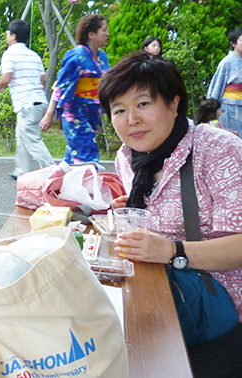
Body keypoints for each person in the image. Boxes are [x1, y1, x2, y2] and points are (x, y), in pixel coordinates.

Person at [98, 51, 242, 378]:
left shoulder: (217, 150)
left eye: (143, 104)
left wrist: (172, 251)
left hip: (223, 314)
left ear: (174, 104)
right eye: (119, 110)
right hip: (164, 300)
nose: (131, 119)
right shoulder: (129, 158)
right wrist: (133, 207)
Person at [40, 14, 110, 164]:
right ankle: (87, 186)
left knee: (72, 159)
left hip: (94, 114)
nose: (107, 33)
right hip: (76, 113)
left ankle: (55, 185)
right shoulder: (76, 56)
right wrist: (48, 114)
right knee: (87, 156)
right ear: (91, 34)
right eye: (104, 30)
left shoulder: (103, 57)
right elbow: (60, 85)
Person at [0, 19, 55, 179]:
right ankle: (21, 171)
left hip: (26, 104)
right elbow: (43, 80)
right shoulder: (34, 55)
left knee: (33, 140)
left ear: (13, 36)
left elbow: (7, 78)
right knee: (21, 135)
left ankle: (54, 171)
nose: (7, 36)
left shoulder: (9, 53)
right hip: (40, 102)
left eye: (8, 33)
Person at [207, 27, 242, 135]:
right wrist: (211, 113)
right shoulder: (226, 63)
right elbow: (216, 88)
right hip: (229, 110)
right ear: (233, 43)